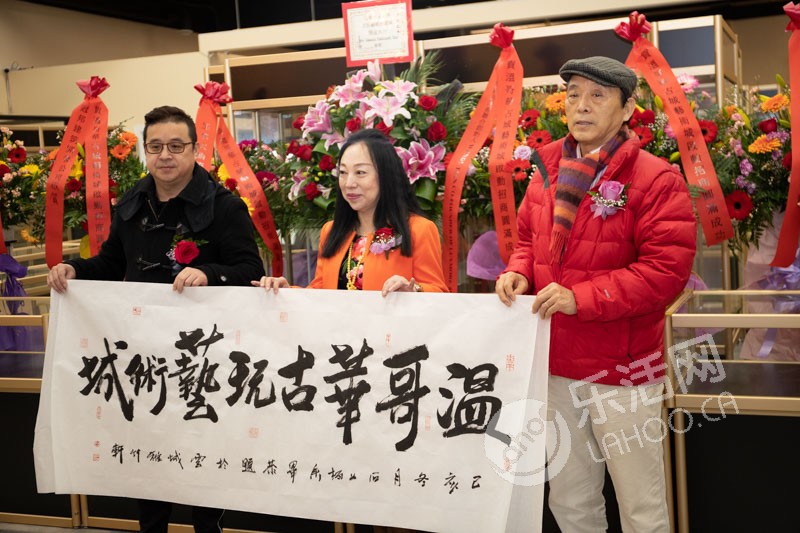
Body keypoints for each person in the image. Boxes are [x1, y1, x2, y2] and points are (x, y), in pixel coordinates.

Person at [495, 57, 696, 532]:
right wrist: (519, 272)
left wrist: (580, 297)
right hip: (555, 365)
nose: (581, 106)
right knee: (570, 503)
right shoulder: (545, 170)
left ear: (627, 109)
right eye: (573, 95)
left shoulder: (655, 178)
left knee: (641, 508)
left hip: (623, 370)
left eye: (597, 96)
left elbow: (666, 272)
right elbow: (527, 241)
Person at [47, 105, 265, 533]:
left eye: (176, 146)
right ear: (145, 151)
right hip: (145, 355)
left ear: (195, 150)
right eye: (156, 146)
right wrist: (75, 269)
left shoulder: (224, 207)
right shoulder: (133, 202)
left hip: (204, 359)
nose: (165, 155)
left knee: (202, 456)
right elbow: (112, 263)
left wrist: (209, 273)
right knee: (148, 456)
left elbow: (251, 270)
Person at [256, 128, 448, 295]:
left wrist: (414, 290)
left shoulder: (419, 230)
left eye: (360, 172)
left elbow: (438, 293)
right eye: (343, 172)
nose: (349, 183)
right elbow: (320, 292)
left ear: (385, 176)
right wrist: (286, 291)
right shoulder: (331, 231)